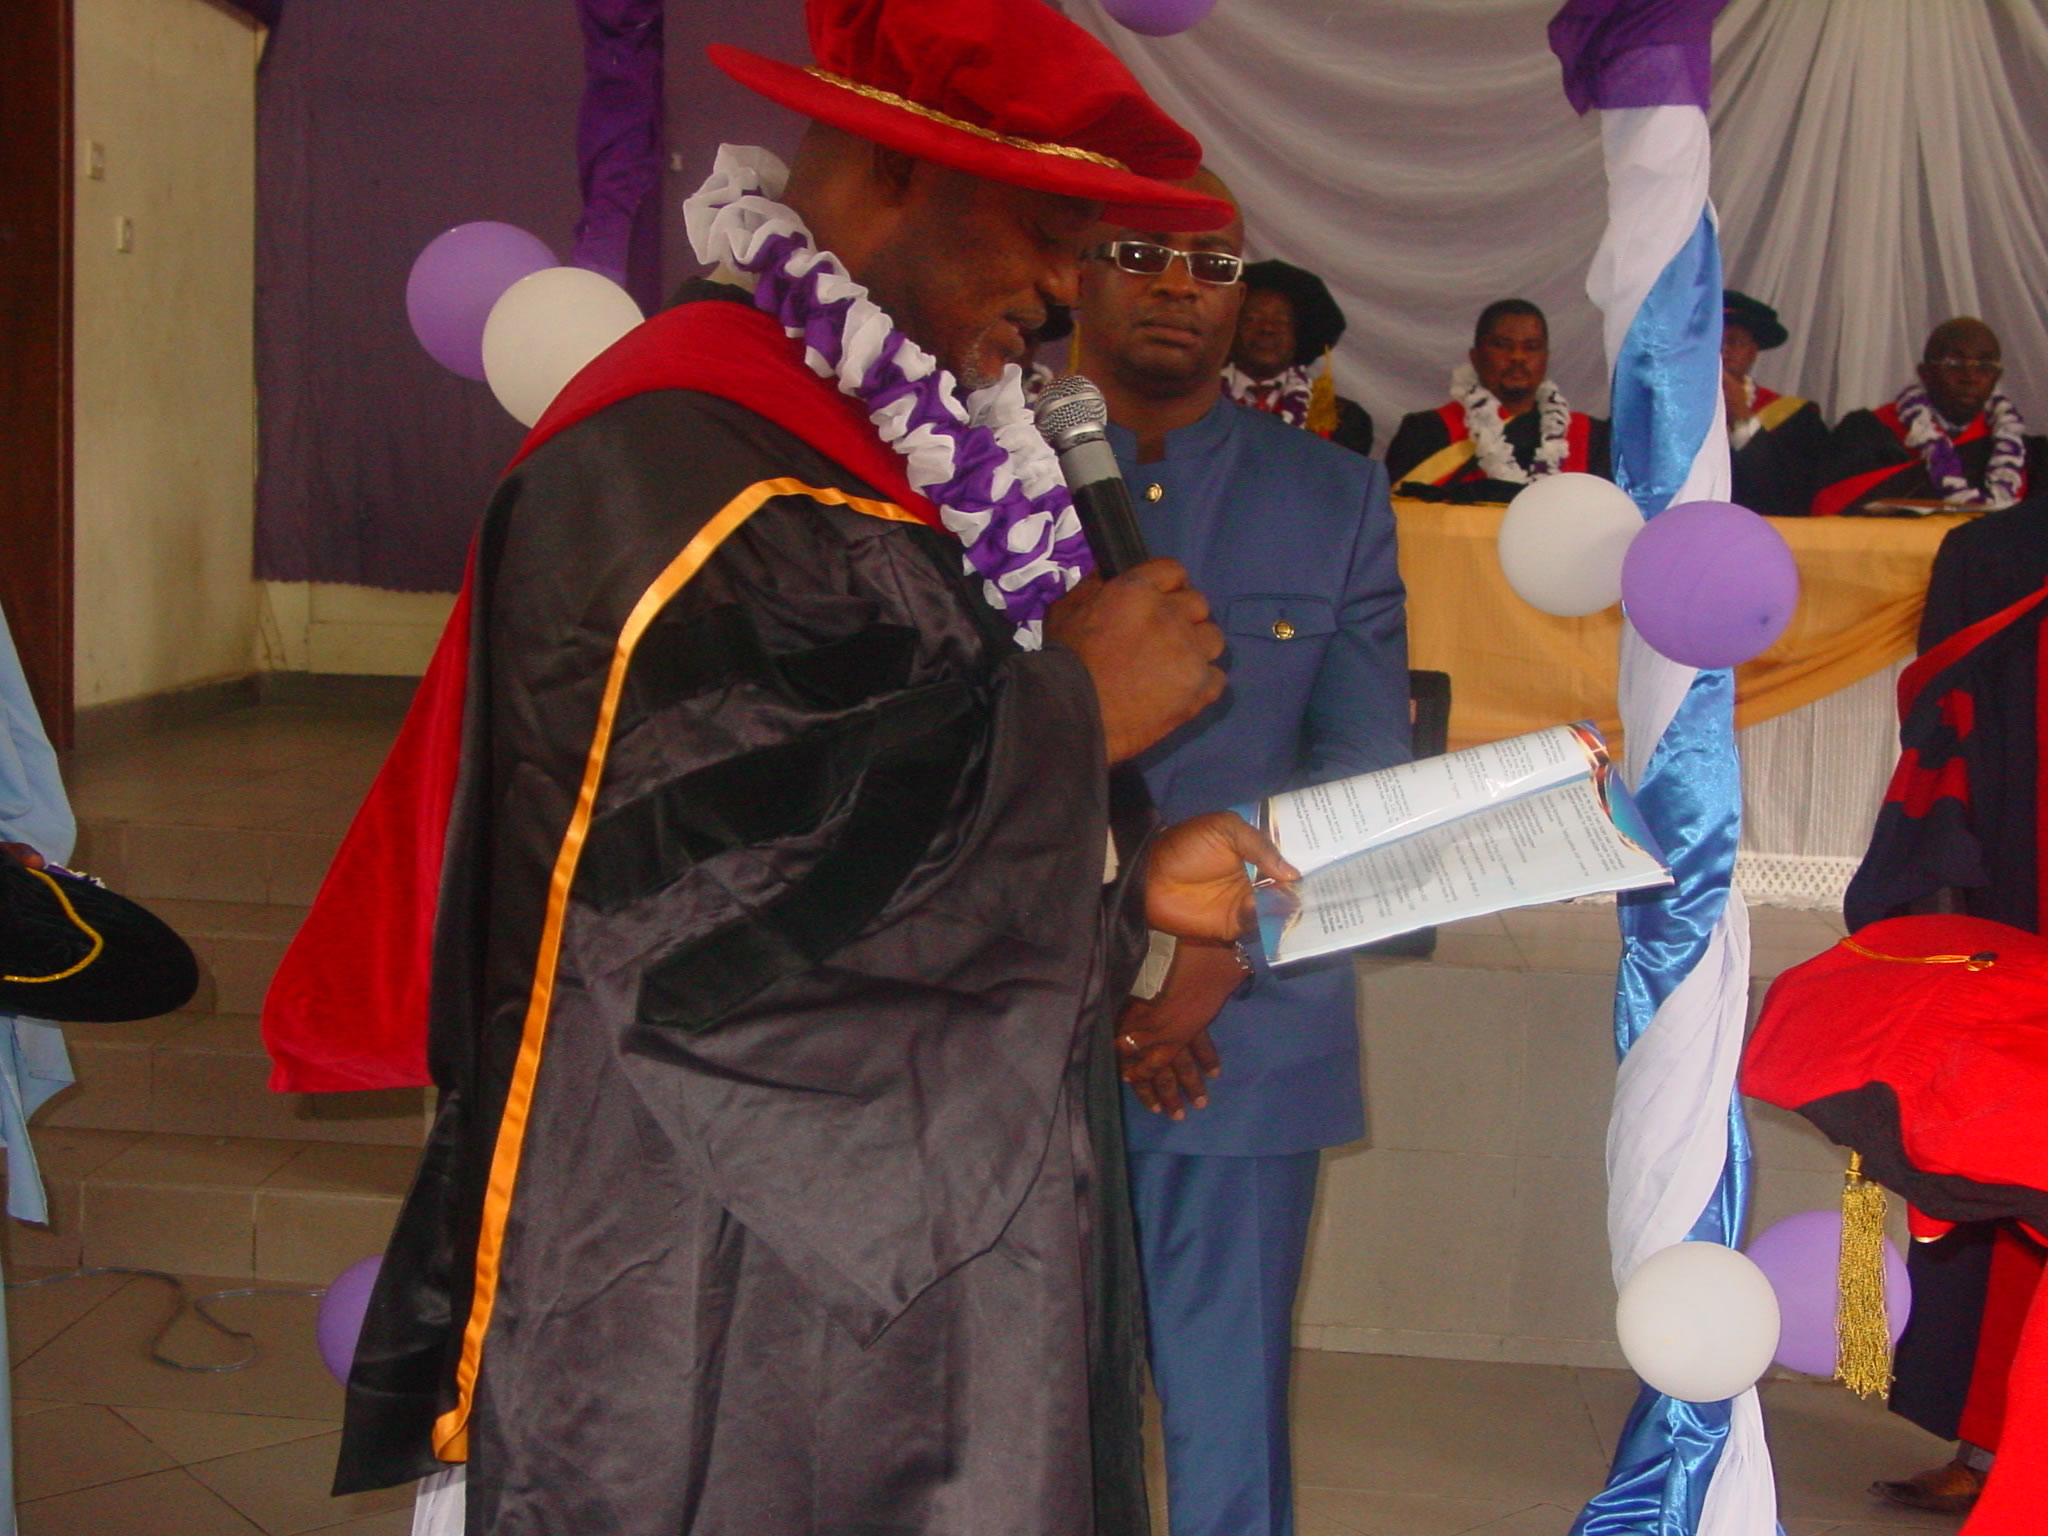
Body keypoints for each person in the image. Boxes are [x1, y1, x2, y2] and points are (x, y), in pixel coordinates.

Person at [302, 3, 1299, 1532]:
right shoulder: (684, 457)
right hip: (708, 1261)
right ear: (895, 175)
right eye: (1044, 234)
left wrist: (1124, 873)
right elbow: (707, 913)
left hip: (887, 1257)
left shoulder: (866, 440)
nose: (1063, 292)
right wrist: (1071, 719)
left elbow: (896, 811)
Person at [1074, 177, 1409, 1536]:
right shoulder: (965, 477)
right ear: (1075, 270)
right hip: (1015, 1024)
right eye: (1138, 253)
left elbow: (1361, 775)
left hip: (1239, 1036)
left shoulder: (1330, 496)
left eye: (1210, 265)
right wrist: (1114, 965)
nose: (1177, 285)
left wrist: (1214, 957)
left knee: (1226, 1439)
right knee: (1008, 1423)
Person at [1811, 317, 2048, 516]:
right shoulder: (1867, 433)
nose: (1970, 376)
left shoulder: (2024, 455)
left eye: (1984, 365)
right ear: (1926, 373)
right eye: (1954, 363)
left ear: (1996, 377)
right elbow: (1832, 505)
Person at [1384, 298, 1611, 500]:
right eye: (1502, 345)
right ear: (1475, 357)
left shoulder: (1592, 438)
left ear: (1546, 358)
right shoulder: (1426, 431)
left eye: (1531, 347)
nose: (1517, 357)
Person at [1221, 258, 1375, 457]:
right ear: (1230, 329)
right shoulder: (1194, 402)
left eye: (1281, 321)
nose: (1267, 328)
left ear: (1297, 336)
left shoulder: (1342, 419)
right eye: (1252, 318)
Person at [1721, 290, 1829, 517]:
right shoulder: (1666, 410)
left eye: (1735, 342)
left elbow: (1790, 496)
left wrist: (1742, 418)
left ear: (1753, 352)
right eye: (1711, 341)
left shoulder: (1796, 419)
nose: (1723, 351)